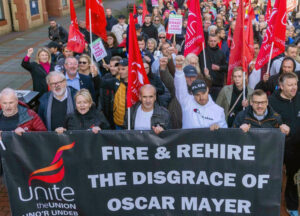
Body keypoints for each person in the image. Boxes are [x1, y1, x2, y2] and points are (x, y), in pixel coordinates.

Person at [268, 72, 300, 215]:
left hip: (296, 148)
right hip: (277, 147)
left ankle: (292, 206)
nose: (294, 88)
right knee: (274, 177)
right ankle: (270, 204)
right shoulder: (271, 101)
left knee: (293, 178)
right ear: (281, 86)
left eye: (296, 84)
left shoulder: (299, 97)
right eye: (290, 85)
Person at [174, 55, 227, 129]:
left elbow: (225, 133)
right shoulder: (186, 103)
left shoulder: (218, 110)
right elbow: (180, 88)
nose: (201, 98)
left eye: (203, 93)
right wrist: (179, 68)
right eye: (197, 95)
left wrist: (219, 128)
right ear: (192, 94)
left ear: (207, 90)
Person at [99, 58, 129, 129]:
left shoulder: (137, 83)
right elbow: (101, 83)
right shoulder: (116, 81)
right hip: (118, 123)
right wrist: (96, 75)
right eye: (119, 69)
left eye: (123, 69)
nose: (120, 71)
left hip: (133, 125)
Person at [199, 34, 228, 100]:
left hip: (218, 85)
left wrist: (219, 68)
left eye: (214, 41)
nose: (213, 43)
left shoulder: (221, 53)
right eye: (211, 41)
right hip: (205, 84)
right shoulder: (203, 52)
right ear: (208, 42)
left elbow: (226, 67)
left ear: (217, 41)